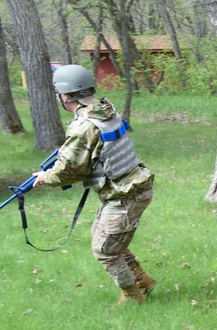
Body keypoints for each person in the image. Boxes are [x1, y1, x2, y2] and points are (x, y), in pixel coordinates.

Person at [31, 64, 155, 303]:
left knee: (105, 250)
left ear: (64, 95)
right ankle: (142, 280)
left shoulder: (85, 125)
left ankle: (133, 297)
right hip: (132, 188)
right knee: (103, 235)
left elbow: (70, 170)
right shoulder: (105, 109)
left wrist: (45, 177)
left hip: (126, 194)